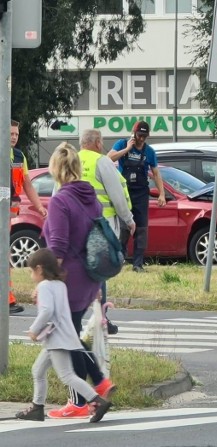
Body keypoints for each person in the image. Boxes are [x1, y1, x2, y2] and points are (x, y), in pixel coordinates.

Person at [42, 143, 116, 419]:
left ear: (57, 169)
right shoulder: (91, 197)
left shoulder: (61, 199)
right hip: (88, 275)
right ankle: (97, 386)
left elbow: (59, 246)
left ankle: (83, 398)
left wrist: (48, 284)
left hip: (67, 278)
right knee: (70, 335)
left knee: (67, 338)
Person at [15, 248, 112, 423]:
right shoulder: (60, 285)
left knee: (67, 375)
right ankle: (37, 408)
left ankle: (97, 401)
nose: (31, 276)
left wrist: (34, 330)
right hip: (63, 336)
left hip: (57, 339)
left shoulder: (44, 286)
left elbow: (47, 311)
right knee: (38, 370)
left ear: (39, 269)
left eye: (31, 271)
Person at [79, 129, 136, 334]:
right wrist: (128, 220)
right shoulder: (101, 162)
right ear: (97, 143)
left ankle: (76, 316)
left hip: (76, 225)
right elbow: (117, 195)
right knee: (100, 271)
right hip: (100, 225)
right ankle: (102, 319)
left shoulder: (72, 160)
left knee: (78, 269)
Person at [107, 121, 166, 272]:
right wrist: (127, 149)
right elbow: (108, 159)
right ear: (133, 134)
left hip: (141, 193)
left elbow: (156, 173)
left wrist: (162, 194)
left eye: (144, 136)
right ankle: (120, 260)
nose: (141, 139)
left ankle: (138, 264)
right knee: (124, 227)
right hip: (124, 192)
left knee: (141, 229)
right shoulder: (121, 144)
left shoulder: (150, 152)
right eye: (139, 135)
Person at [9, 120, 47, 315]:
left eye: (16, 134)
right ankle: (7, 300)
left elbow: (26, 184)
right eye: (11, 134)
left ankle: (7, 299)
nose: (14, 137)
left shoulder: (18, 156)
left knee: (3, 257)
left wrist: (39, 206)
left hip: (8, 213)